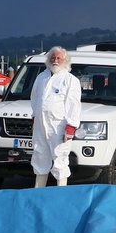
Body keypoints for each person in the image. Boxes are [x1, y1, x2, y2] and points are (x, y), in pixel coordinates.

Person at [30, 46, 82, 188]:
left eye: (59, 58)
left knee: (60, 157)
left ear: (65, 60)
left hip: (59, 126)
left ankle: (61, 191)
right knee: (39, 155)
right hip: (41, 125)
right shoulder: (41, 77)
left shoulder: (70, 80)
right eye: (52, 58)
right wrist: (35, 116)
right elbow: (34, 98)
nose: (55, 60)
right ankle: (38, 190)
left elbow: (74, 105)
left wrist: (71, 126)